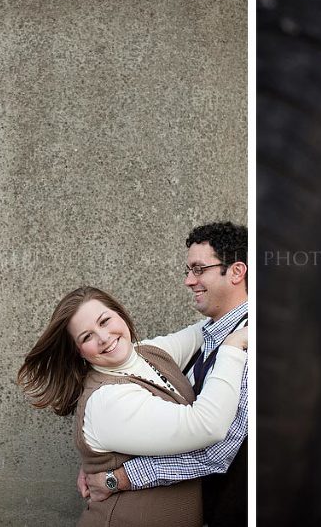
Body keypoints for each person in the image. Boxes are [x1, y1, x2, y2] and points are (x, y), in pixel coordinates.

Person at [18, 285, 248, 527]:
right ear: (79, 352)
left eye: (105, 321)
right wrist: (232, 347)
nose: (104, 337)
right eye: (87, 336)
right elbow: (208, 427)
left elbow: (213, 327)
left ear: (120, 314)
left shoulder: (147, 354)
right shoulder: (107, 401)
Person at [81, 221, 249, 527]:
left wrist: (117, 478)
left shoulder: (247, 345)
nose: (188, 280)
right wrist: (103, 458)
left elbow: (218, 449)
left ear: (237, 272)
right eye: (187, 270)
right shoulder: (213, 333)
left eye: (199, 269)